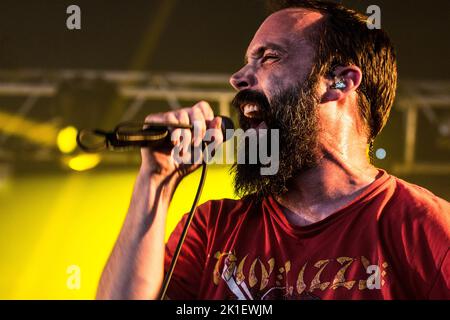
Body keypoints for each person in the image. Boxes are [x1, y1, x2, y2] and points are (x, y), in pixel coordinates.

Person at [96, 0, 450, 300]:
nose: (237, 78)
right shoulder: (211, 229)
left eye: (268, 58)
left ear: (340, 82)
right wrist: (155, 178)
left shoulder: (424, 226)